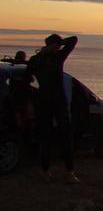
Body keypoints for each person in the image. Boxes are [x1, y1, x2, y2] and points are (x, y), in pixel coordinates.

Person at [27, 34, 79, 183]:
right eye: (57, 46)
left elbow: (27, 78)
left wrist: (52, 46)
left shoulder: (37, 59)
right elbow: (73, 40)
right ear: (55, 46)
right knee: (61, 137)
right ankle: (66, 173)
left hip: (45, 101)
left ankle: (50, 172)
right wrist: (57, 45)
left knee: (49, 137)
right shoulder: (56, 58)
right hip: (55, 102)